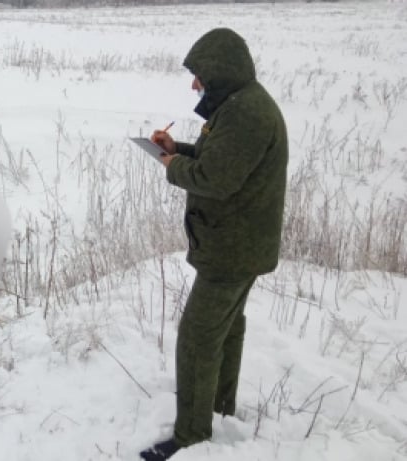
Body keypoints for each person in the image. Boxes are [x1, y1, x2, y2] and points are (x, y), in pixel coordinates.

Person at [139, 28, 288, 461]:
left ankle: (191, 436)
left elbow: (214, 179)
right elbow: (219, 159)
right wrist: (177, 148)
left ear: (221, 71)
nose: (194, 84)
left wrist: (171, 165)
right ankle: (219, 407)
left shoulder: (246, 113)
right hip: (239, 242)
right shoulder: (241, 105)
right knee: (227, 327)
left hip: (232, 248)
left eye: (199, 75)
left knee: (197, 338)